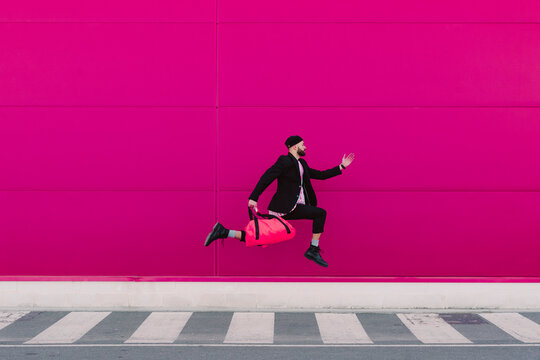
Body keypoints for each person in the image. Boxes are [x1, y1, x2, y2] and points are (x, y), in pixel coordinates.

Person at [204, 135, 355, 267]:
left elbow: (320, 175)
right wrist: (254, 197)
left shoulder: (302, 164)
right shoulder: (285, 161)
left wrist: (341, 167)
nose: (305, 146)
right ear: (295, 146)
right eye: (303, 144)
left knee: (262, 239)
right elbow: (267, 177)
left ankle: (223, 231)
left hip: (293, 208)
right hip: (284, 208)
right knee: (320, 213)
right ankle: (313, 249)